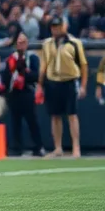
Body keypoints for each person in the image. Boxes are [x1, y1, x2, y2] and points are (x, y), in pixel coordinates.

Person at [37, 15, 89, 158]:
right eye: (53, 27)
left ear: (64, 27)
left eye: (58, 27)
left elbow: (83, 65)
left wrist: (83, 86)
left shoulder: (74, 43)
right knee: (55, 116)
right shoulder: (47, 44)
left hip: (69, 81)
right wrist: (40, 85)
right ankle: (58, 147)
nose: (56, 30)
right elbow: (43, 65)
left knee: (72, 115)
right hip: (52, 82)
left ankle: (76, 148)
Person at [0, 33, 43, 156]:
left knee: (32, 121)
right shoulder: (10, 59)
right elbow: (5, 77)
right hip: (14, 93)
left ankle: (38, 147)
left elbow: (36, 75)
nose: (21, 45)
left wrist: (24, 75)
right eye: (19, 42)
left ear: (27, 44)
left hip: (27, 92)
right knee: (15, 121)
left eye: (23, 42)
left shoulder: (32, 57)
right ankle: (17, 148)